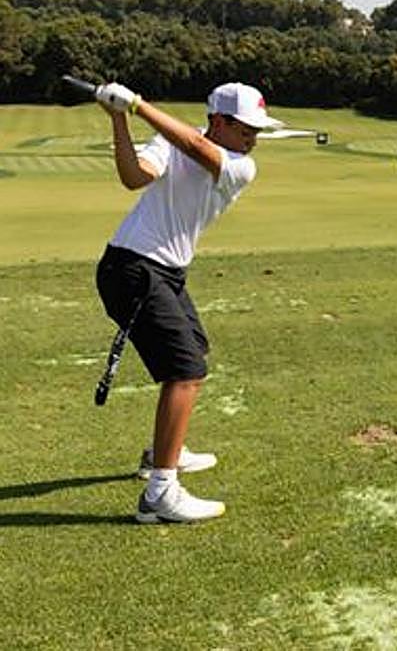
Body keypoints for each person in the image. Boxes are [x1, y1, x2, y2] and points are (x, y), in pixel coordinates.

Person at [94, 80, 281, 523]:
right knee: (185, 371)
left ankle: (164, 451)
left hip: (164, 271)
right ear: (219, 120)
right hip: (132, 268)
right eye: (245, 129)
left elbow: (195, 146)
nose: (253, 138)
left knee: (193, 352)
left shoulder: (239, 166)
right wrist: (119, 117)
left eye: (257, 130)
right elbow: (133, 177)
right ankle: (160, 490)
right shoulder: (172, 141)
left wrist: (138, 104)